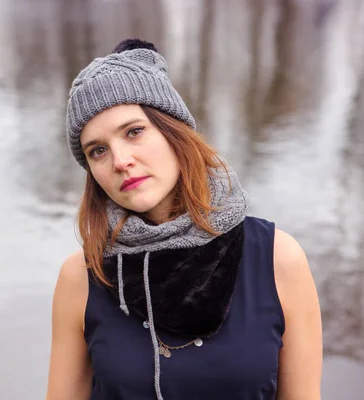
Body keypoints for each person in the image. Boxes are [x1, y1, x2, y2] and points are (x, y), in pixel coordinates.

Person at [45, 39, 322, 400]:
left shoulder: (277, 260)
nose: (120, 160)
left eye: (134, 131)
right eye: (98, 150)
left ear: (174, 131)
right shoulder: (83, 278)